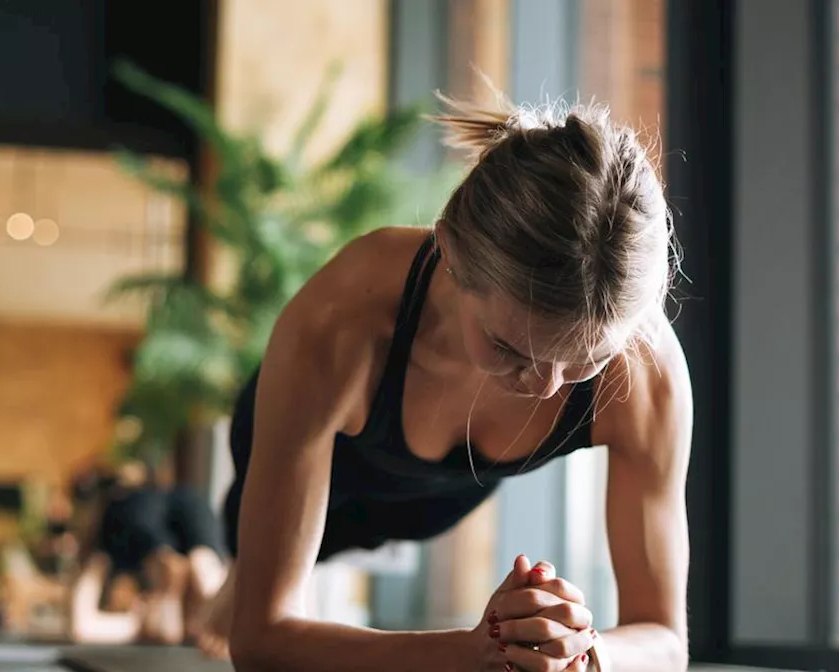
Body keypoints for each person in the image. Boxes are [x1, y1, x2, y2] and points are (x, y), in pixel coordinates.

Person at [193, 92, 693, 672]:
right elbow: (259, 644)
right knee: (262, 562)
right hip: (317, 440)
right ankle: (237, 573)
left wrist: (582, 650)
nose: (548, 389)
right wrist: (474, 650)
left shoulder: (647, 370)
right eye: (511, 348)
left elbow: (665, 640)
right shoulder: (342, 319)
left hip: (442, 495)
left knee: (392, 522)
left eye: (585, 361)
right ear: (451, 252)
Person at [67, 461, 228, 645]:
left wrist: (139, 622)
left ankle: (180, 609)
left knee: (200, 584)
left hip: (150, 520)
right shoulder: (126, 518)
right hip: (186, 505)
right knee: (204, 577)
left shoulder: (113, 520)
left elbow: (80, 626)